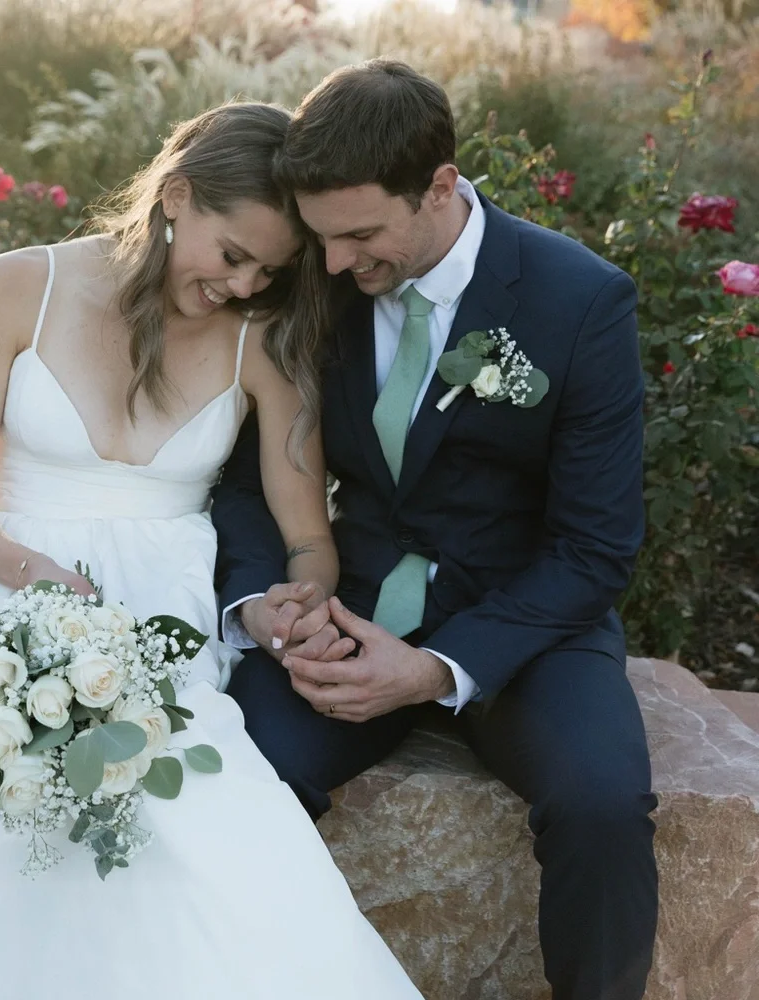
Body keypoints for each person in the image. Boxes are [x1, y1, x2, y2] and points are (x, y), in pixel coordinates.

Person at [0, 103, 423, 999]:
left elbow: (308, 537)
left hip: (160, 635)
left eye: (268, 270)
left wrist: (295, 602)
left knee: (196, 841)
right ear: (176, 196)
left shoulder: (261, 338)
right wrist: (41, 584)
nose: (241, 284)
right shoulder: (17, 285)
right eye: (232, 255)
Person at [214, 62, 658, 1000]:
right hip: (348, 608)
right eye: (322, 237)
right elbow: (250, 482)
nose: (336, 263)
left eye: (362, 234)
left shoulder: (580, 302)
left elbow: (595, 547)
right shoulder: (318, 283)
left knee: (603, 804)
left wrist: (433, 670)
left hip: (526, 625)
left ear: (441, 186)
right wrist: (262, 601)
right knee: (235, 772)